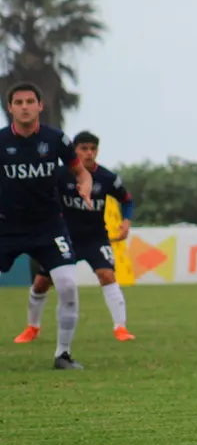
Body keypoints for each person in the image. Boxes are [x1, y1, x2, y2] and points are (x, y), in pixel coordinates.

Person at [0, 82, 93, 369]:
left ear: (40, 106)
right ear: (10, 108)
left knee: (66, 285)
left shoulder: (56, 139)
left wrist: (85, 187)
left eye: (30, 101)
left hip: (49, 227)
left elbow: (81, 173)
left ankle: (62, 355)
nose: (25, 106)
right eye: (19, 102)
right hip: (6, 227)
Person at [15, 131, 136, 344]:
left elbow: (127, 200)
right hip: (64, 238)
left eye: (93, 149)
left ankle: (121, 328)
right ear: (75, 150)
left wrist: (126, 222)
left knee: (107, 275)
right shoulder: (60, 175)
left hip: (95, 238)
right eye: (84, 149)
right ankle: (32, 327)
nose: (89, 154)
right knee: (42, 283)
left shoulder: (107, 178)